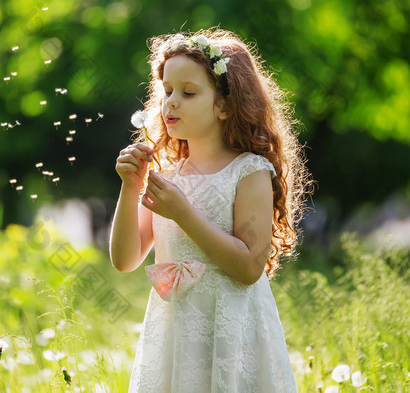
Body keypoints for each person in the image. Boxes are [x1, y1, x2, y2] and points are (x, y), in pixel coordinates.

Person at [110, 28, 311, 392]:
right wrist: (130, 187)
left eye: (188, 93)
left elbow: (250, 267)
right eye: (167, 91)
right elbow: (124, 259)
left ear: (224, 105)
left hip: (232, 333)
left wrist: (183, 213)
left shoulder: (249, 171)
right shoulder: (166, 175)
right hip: (175, 336)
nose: (171, 102)